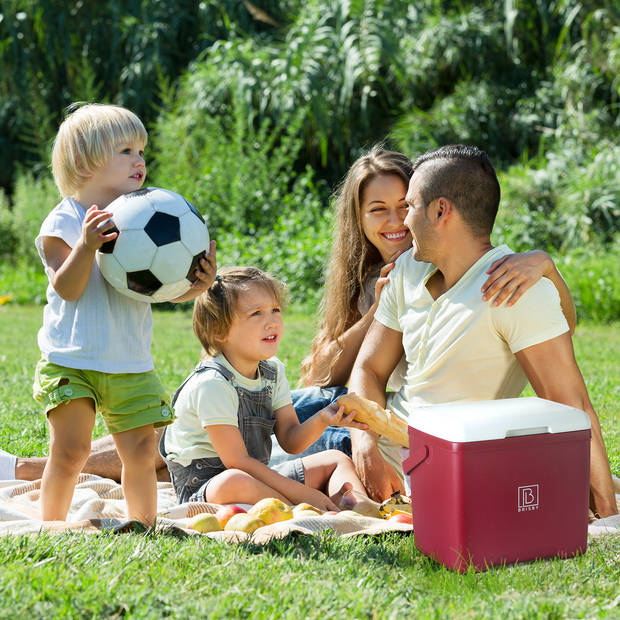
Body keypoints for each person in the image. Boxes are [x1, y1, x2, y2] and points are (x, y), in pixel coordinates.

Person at [0, 146, 575, 483]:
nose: (396, 220)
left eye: (406, 206)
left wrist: (546, 264)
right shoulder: (374, 278)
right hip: (331, 405)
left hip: (373, 420)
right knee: (198, 433)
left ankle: (33, 468)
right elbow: (320, 369)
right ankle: (33, 468)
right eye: (378, 209)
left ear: (432, 207)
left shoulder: (462, 266)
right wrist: (372, 312)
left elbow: (552, 328)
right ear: (360, 219)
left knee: (200, 442)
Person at [347, 144, 617, 519]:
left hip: (439, 460)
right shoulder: (407, 267)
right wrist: (365, 446)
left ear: (441, 210)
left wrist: (607, 513)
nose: (403, 222)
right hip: (357, 433)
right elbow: (368, 370)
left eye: (410, 206)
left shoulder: (516, 289)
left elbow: (574, 408)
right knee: (274, 431)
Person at [31, 103, 216, 524]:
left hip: (129, 363)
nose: (140, 160)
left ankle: (144, 525)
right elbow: (68, 287)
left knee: (140, 451)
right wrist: (86, 245)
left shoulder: (145, 213)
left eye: (141, 151)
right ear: (84, 161)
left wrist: (196, 285)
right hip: (71, 360)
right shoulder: (63, 220)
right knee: (71, 450)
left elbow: (159, 290)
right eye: (126, 151)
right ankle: (52, 526)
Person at [160, 267, 368, 510]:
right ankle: (311, 508)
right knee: (235, 481)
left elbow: (290, 440)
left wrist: (323, 418)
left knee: (336, 459)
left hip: (258, 477)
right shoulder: (212, 384)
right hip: (207, 487)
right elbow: (237, 462)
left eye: (275, 310)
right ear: (219, 331)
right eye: (256, 313)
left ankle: (359, 511)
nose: (271, 321)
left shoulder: (272, 372)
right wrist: (305, 496)